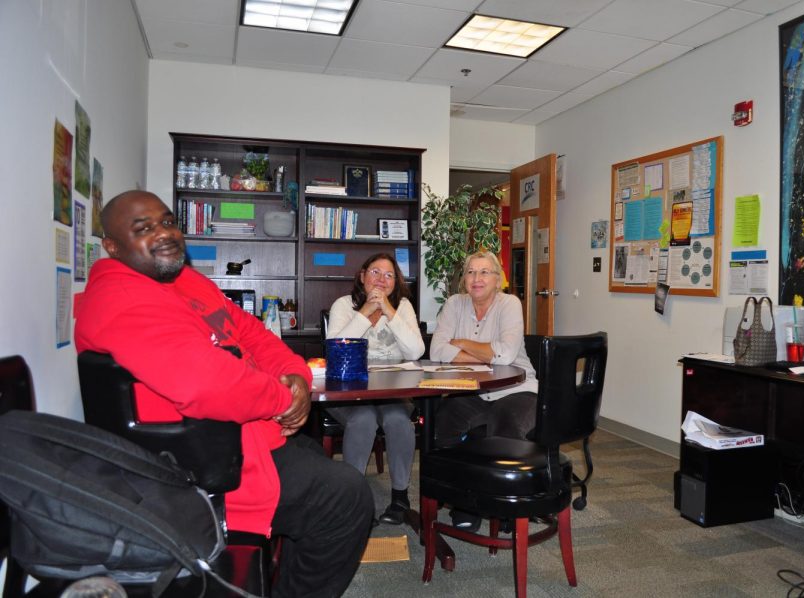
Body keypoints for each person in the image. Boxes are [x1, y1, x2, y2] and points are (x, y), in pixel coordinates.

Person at [74, 190, 373, 598]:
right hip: (201, 467)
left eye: (167, 222)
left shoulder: (184, 280)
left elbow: (251, 331)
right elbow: (206, 383)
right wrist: (284, 399)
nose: (164, 234)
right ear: (112, 246)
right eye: (143, 228)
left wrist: (294, 374)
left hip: (243, 436)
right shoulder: (121, 298)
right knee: (349, 498)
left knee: (317, 459)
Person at [429, 251, 538, 531]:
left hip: (517, 387)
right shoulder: (455, 304)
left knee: (505, 427)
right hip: (472, 389)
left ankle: (504, 506)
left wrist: (461, 342)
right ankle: (464, 501)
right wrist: (484, 355)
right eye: (471, 272)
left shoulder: (509, 304)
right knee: (444, 423)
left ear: (498, 278)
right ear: (464, 279)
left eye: (484, 272)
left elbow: (505, 355)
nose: (477, 278)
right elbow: (438, 351)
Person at [326, 253, 425, 525]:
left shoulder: (403, 306)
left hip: (391, 390)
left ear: (396, 282)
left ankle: (400, 496)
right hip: (348, 390)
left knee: (398, 420)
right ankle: (353, 498)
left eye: (389, 275)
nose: (381, 280)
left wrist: (390, 312)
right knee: (363, 420)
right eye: (375, 272)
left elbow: (416, 350)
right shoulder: (343, 306)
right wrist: (366, 312)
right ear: (362, 276)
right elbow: (336, 349)